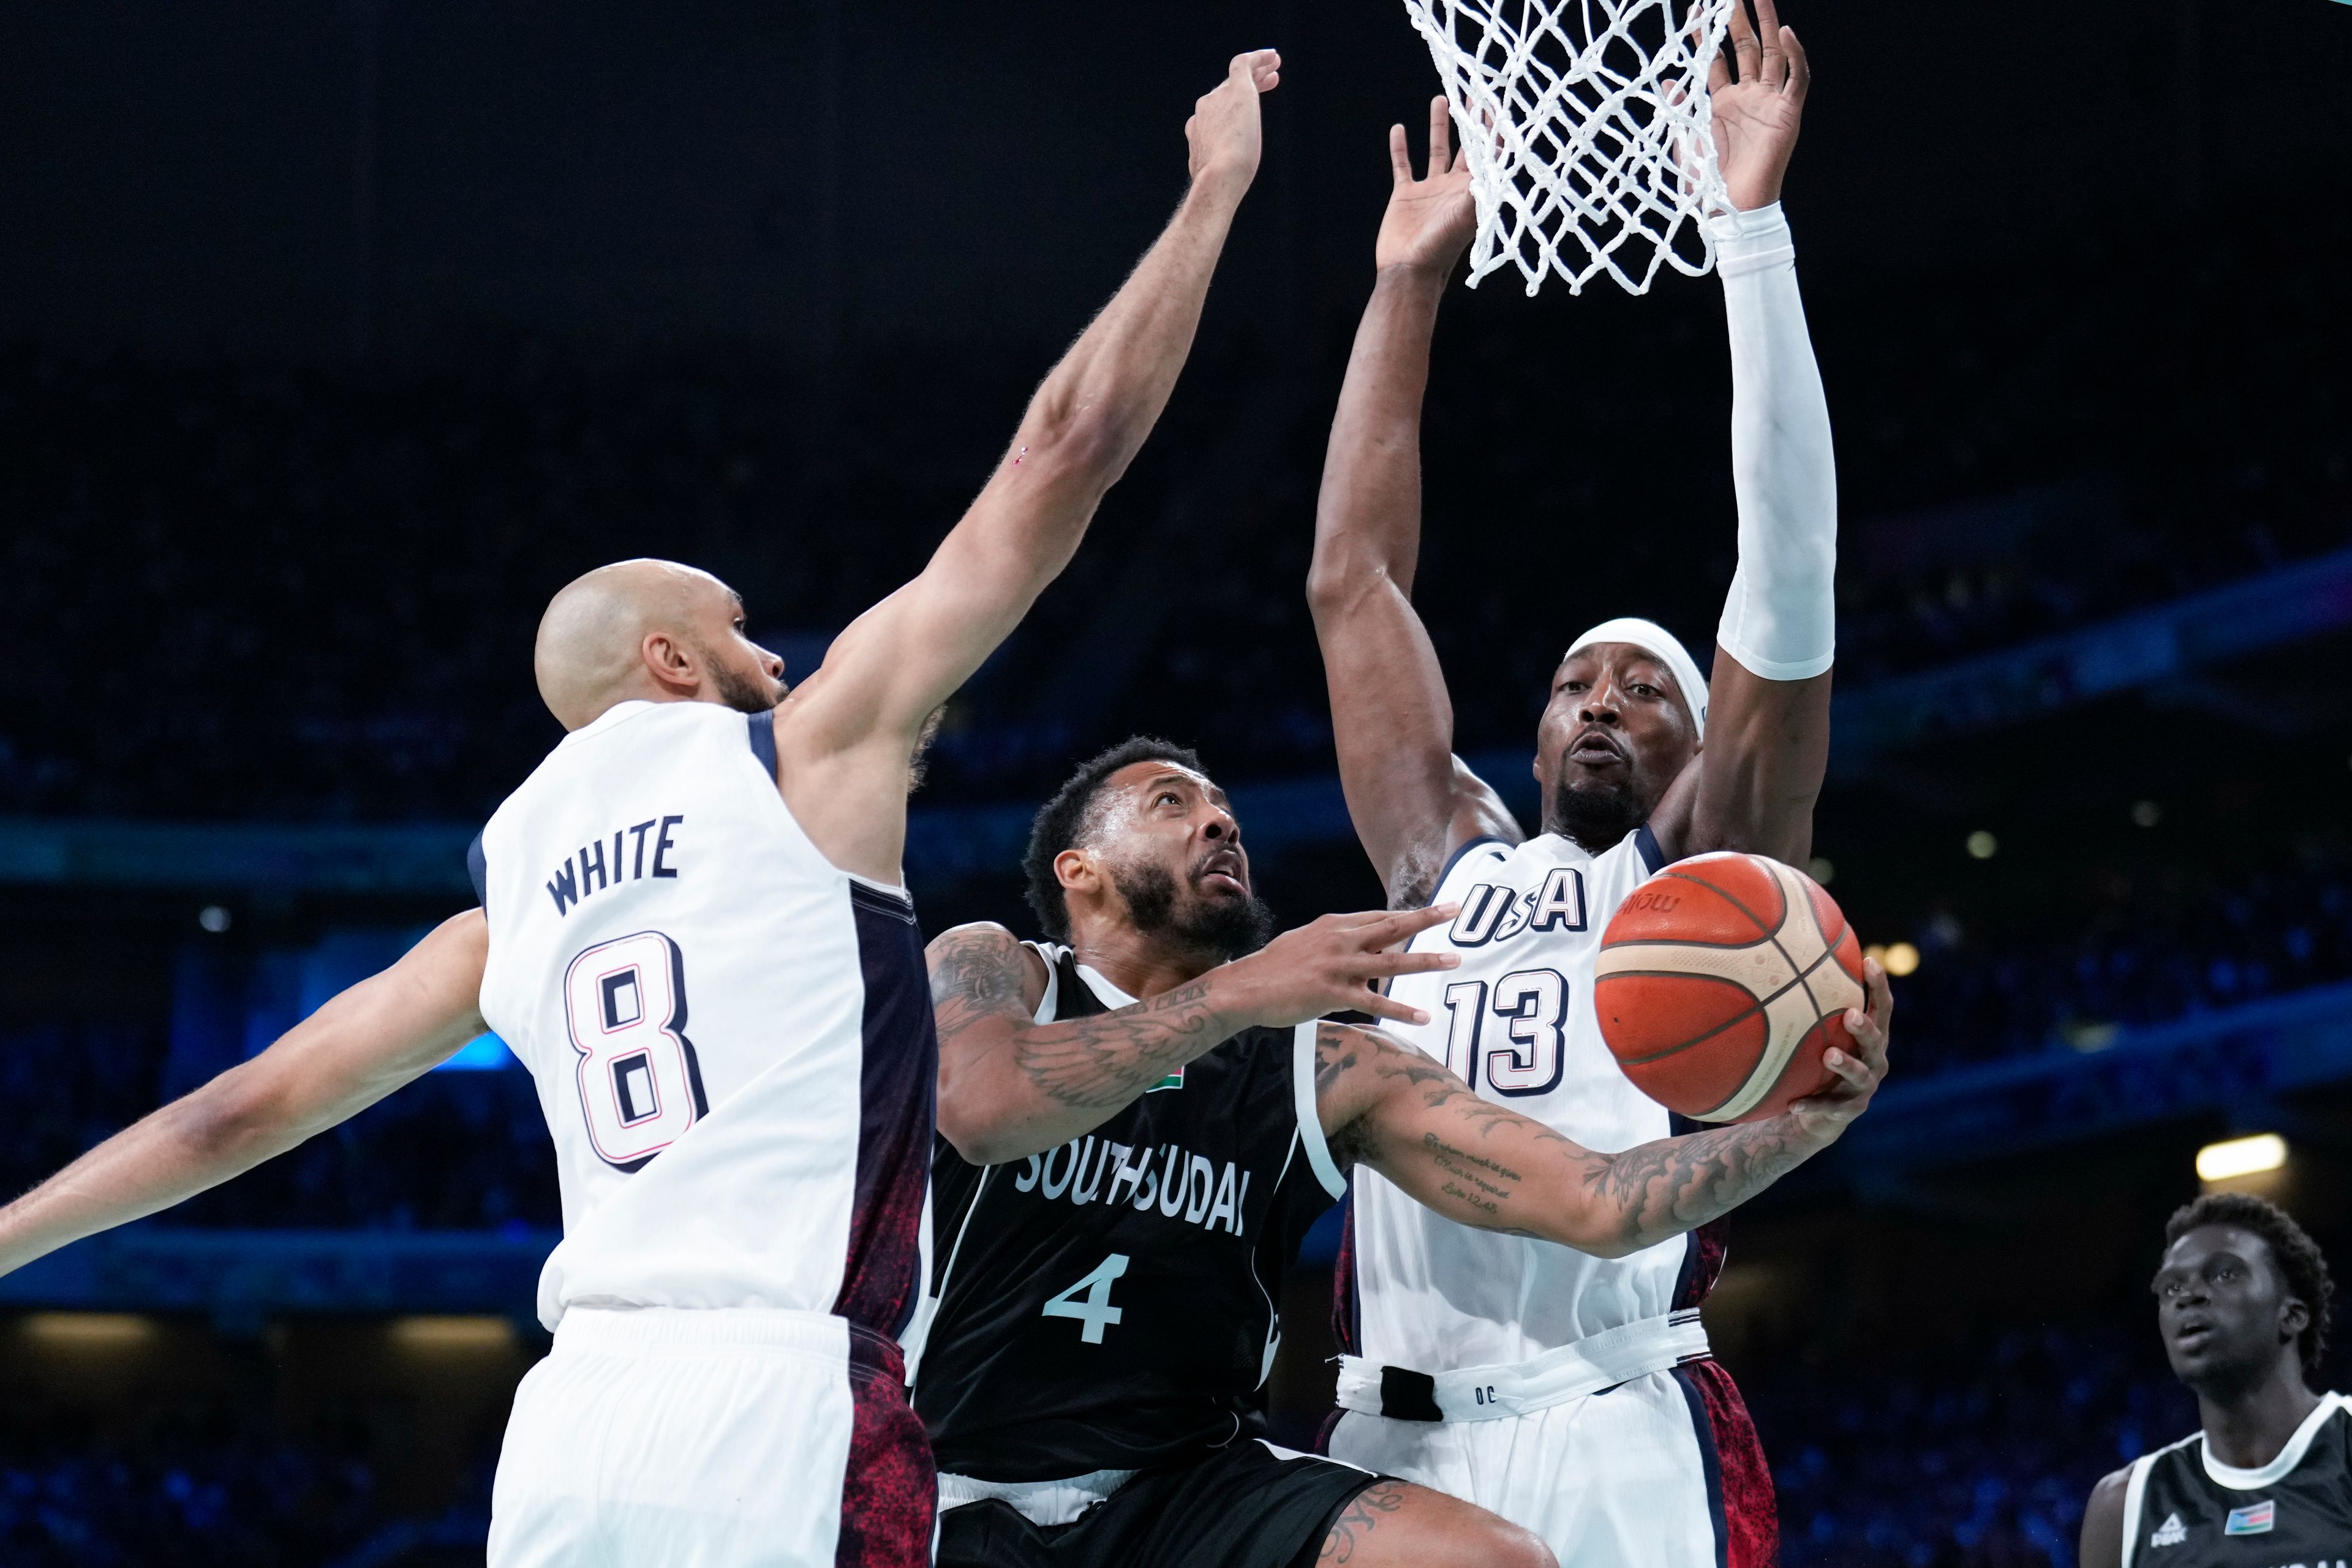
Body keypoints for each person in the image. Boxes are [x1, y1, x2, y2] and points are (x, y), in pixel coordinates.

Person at [0, 50, 1286, 1568]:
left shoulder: (504, 896)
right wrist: (1212, 197)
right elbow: (1056, 459)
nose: (775, 653)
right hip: (782, 1405)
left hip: (574, 1425)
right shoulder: (797, 755)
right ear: (671, 660)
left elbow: (242, 1107)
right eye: (739, 628)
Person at [1303, 3, 1851, 1562]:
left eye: (1644, 688)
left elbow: (1788, 570)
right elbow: (1353, 581)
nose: (1598, 700)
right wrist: (1405, 283)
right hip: (1384, 1433)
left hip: (1608, 1411)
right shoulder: (1441, 865)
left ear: (1698, 742)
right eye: (1570, 683)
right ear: (1527, 737)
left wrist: (1747, 239)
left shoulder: (1702, 878)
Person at [910, 735, 1890, 1568]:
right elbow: (986, 1109)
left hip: (1191, 1491)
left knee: (1501, 1562)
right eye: (1172, 805)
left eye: (1224, 812)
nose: (1220, 824)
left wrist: (1797, 1127)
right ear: (1077, 869)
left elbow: (1597, 1202)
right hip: (961, 1485)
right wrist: (1239, 993)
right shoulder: (1000, 968)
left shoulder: (1322, 1067)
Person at [2079, 1193, 2349, 1566]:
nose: (2188, 1296)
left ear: (2292, 1315)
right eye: (2171, 1287)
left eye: (2224, 1274)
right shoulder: (2125, 1507)